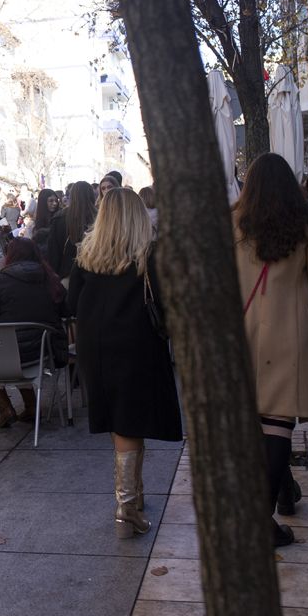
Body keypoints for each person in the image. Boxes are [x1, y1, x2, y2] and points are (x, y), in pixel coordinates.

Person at [236, 153, 308, 546]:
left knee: (258, 422)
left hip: (244, 332)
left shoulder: (234, 222)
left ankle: (275, 499)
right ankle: (264, 519)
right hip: (292, 331)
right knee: (278, 423)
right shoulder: (305, 223)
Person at [69, 188, 182, 540]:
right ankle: (127, 507)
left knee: (122, 424)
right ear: (137, 216)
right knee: (131, 423)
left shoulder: (85, 254)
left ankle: (135, 496)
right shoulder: (150, 253)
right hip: (137, 345)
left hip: (95, 348)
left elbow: (72, 303)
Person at [0, 237, 68, 426]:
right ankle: (30, 406)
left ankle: (5, 408)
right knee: (16, 352)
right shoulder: (51, 280)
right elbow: (64, 312)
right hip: (44, 352)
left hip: (10, 355)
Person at [47, 181, 97, 282]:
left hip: (67, 273)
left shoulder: (60, 218)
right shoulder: (100, 217)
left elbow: (53, 252)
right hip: (95, 272)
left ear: (72, 196)